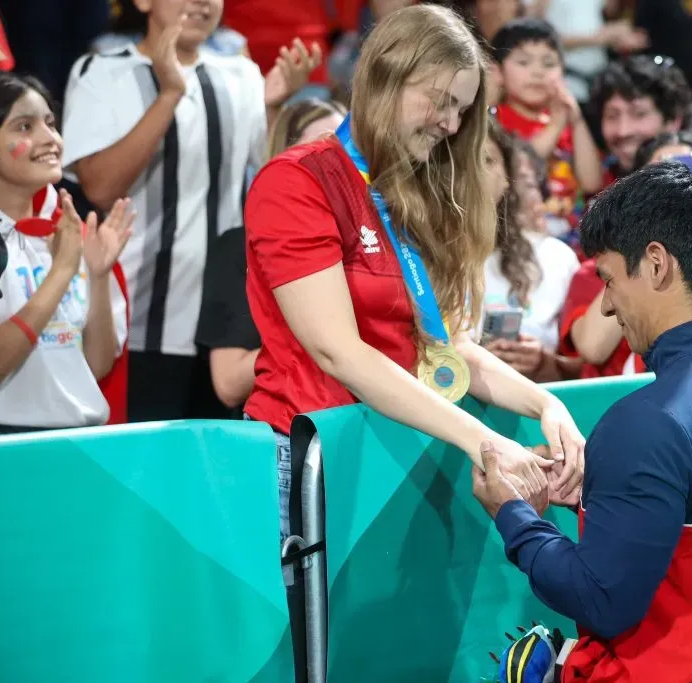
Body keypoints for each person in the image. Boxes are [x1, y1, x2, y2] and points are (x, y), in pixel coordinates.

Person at [243, 4, 585, 541]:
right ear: (388, 76)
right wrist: (487, 443)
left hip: (401, 449)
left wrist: (547, 402)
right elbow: (339, 350)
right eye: (442, 101)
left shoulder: (419, 189)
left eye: (462, 110)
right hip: (314, 458)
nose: (451, 124)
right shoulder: (296, 182)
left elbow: (445, 344)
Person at [475, 162, 692, 682]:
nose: (606, 306)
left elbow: (601, 600)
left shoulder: (649, 423)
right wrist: (600, 494)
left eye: (609, 279)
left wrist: (514, 516)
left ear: (655, 265)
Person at [61, 0, 320, 423]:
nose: (202, 2)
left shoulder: (241, 75)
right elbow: (101, 187)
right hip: (140, 322)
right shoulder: (103, 73)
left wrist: (274, 105)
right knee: (144, 474)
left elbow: (268, 180)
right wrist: (169, 95)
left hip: (227, 330)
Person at [0, 74, 133, 434]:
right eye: (25, 127)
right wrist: (62, 270)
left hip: (75, 438)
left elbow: (95, 365)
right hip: (4, 446)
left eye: (50, 123)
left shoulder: (67, 230)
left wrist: (97, 273)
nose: (50, 139)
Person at [197, 99, 346, 412]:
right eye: (320, 147)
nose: (337, 160)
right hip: (286, 430)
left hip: (359, 426)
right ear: (285, 158)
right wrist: (322, 338)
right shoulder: (239, 248)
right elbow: (228, 382)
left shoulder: (369, 242)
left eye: (345, 146)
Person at [479, 119, 582, 382]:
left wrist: (543, 363)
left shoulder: (557, 258)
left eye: (528, 183)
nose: (517, 193)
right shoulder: (431, 251)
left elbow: (585, 364)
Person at [492, 18, 602, 242]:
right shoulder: (496, 119)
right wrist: (557, 124)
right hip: (518, 238)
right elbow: (520, 169)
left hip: (573, 239)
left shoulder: (567, 120)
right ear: (498, 72)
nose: (537, 72)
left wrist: (577, 121)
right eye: (524, 62)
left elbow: (592, 182)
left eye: (549, 64)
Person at [590, 54, 692, 188]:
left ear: (673, 120)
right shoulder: (597, 177)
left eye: (639, 114)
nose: (623, 131)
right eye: (612, 116)